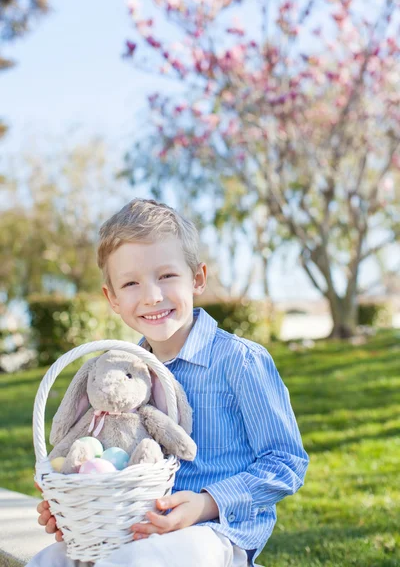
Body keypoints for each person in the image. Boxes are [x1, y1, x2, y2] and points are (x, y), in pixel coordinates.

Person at [30, 198, 309, 567]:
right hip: (131, 528)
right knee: (49, 560)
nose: (151, 296)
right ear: (112, 298)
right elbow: (109, 456)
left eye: (166, 276)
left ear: (197, 278)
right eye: (130, 283)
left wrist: (207, 503)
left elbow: (286, 461)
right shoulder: (122, 375)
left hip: (214, 536)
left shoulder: (240, 361)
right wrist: (79, 505)